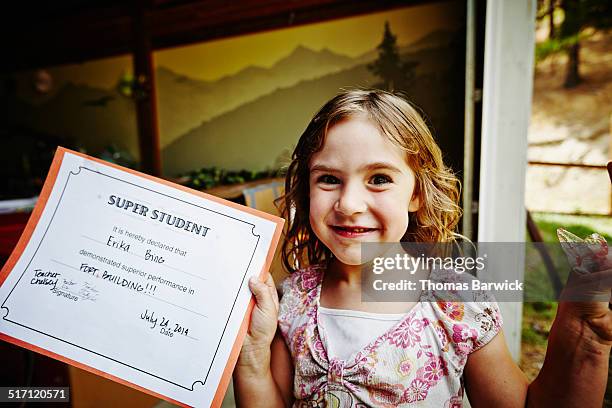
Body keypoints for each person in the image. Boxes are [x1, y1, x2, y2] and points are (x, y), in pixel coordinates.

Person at [233, 89, 612, 407]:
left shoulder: (455, 303)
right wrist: (251, 356)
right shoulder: (294, 300)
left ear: (416, 193)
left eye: (379, 179)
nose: (349, 204)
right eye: (329, 179)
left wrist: (583, 328)